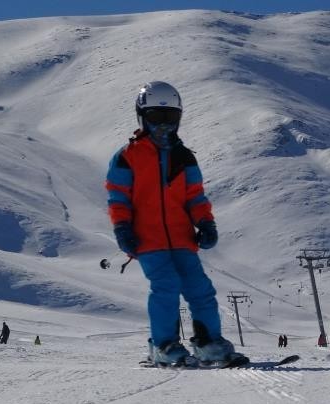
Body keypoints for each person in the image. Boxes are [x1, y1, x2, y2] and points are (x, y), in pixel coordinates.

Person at [105, 81, 245, 367]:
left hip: (182, 239)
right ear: (142, 117)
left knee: (200, 289)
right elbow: (118, 198)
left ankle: (209, 345)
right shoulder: (127, 157)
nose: (163, 126)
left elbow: (195, 197)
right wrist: (122, 228)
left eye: (170, 119)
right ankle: (163, 345)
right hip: (147, 239)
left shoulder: (184, 157)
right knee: (166, 286)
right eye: (156, 118)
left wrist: (205, 223)